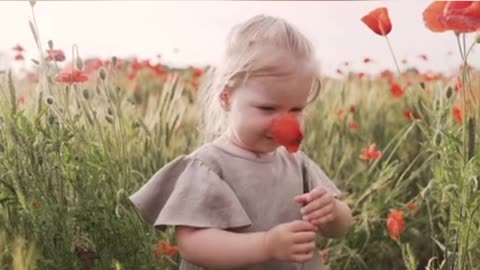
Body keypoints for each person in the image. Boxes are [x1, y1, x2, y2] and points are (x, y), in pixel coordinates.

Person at [129, 14, 353, 270]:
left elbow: (341, 227)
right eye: (268, 108)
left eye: (296, 109)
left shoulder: (297, 164)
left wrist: (332, 212)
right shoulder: (209, 167)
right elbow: (192, 244)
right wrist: (266, 245)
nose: (284, 124)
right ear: (226, 98)